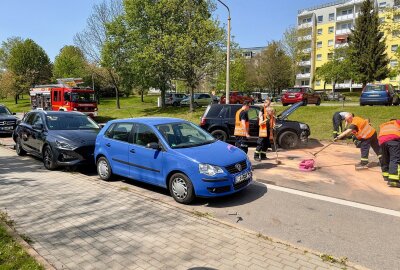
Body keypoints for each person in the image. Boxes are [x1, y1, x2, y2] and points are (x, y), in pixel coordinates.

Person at [378, 119, 400, 187]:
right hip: (393, 140)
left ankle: (386, 176)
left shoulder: (384, 125)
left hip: (382, 141)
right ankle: (394, 180)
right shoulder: (397, 122)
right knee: (395, 159)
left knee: (386, 158)